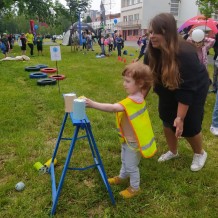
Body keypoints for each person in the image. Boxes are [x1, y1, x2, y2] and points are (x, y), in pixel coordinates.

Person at [144, 13, 209, 172]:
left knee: (189, 125)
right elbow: (146, 78)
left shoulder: (185, 54)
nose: (151, 36)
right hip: (167, 85)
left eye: (155, 32)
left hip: (194, 87)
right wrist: (138, 100)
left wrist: (180, 117)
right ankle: (173, 151)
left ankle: (200, 153)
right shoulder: (151, 53)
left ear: (167, 33)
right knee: (166, 116)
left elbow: (186, 91)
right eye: (150, 32)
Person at [85, 62, 157, 198]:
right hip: (127, 140)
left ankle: (135, 188)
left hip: (133, 142)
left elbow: (113, 108)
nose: (124, 84)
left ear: (140, 83)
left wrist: (92, 104)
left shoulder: (131, 102)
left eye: (128, 81)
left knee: (131, 166)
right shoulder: (138, 96)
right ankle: (122, 177)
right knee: (124, 160)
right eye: (124, 80)